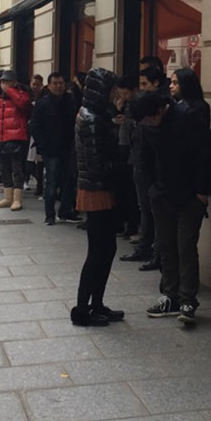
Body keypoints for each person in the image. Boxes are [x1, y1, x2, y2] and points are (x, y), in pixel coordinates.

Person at [133, 88, 210, 325]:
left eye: (150, 118)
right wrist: (151, 191)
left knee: (185, 245)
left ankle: (188, 299)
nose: (148, 123)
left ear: (160, 109)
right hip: (162, 194)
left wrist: (201, 192)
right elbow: (143, 160)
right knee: (166, 245)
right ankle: (170, 295)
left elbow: (204, 156)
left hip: (190, 195)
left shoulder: (187, 118)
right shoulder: (147, 127)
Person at [71, 67, 126, 327]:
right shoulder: (92, 119)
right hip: (96, 189)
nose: (116, 93)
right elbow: (97, 162)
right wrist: (119, 169)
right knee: (98, 251)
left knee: (105, 249)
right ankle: (83, 309)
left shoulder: (94, 114)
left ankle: (96, 305)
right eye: (112, 88)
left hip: (97, 186)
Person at [120, 62, 167, 268]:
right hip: (139, 160)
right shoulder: (142, 103)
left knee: (151, 209)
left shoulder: (158, 105)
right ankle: (146, 247)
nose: (141, 87)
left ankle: (154, 252)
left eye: (144, 83)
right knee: (145, 208)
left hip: (150, 165)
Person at [30, 72, 78, 224]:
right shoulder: (43, 103)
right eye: (55, 84)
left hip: (68, 148)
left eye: (61, 83)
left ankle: (65, 210)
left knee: (70, 180)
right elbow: (35, 126)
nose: (58, 86)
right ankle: (49, 214)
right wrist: (42, 146)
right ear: (49, 85)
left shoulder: (70, 101)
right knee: (51, 181)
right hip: (50, 149)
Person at [0, 70, 33, 212]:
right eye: (2, 82)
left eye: (7, 82)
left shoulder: (21, 94)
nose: (4, 85)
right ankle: (7, 197)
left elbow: (23, 103)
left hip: (16, 137)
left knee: (17, 168)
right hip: (0, 138)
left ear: (14, 83)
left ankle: (17, 198)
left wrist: (11, 91)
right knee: (4, 168)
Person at [114, 74, 140, 238]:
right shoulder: (125, 104)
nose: (123, 97)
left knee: (132, 191)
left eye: (126, 94)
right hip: (122, 146)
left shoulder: (139, 105)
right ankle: (126, 224)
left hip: (132, 149)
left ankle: (133, 225)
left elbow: (138, 125)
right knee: (124, 189)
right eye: (120, 93)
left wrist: (127, 120)